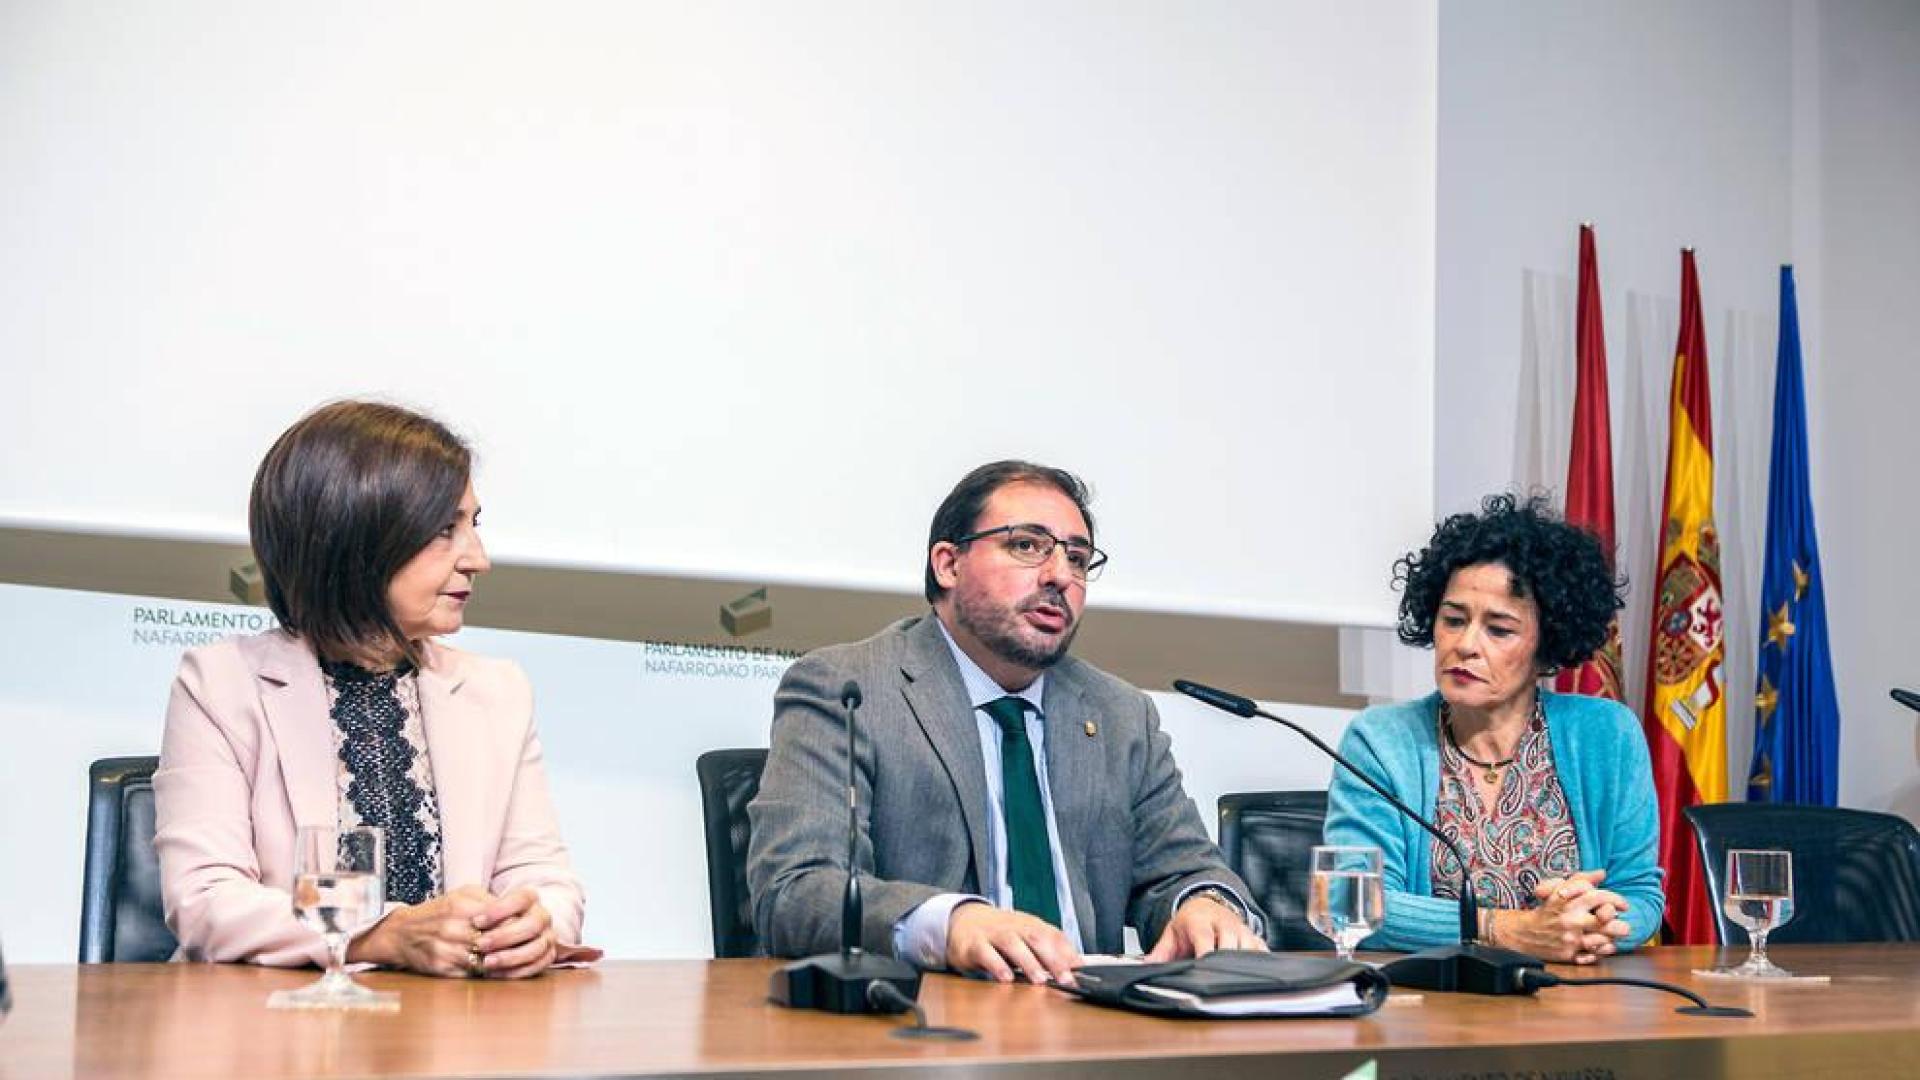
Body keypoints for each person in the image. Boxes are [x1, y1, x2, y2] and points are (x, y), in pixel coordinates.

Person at [748, 461, 1265, 985]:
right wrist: (951, 922)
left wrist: (1205, 906)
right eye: (1026, 546)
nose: (1060, 575)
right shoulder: (847, 687)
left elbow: (1188, 869)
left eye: (1078, 559)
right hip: (929, 1030)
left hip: (1098, 1032)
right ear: (948, 564)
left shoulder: (1119, 713)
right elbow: (796, 890)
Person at [155, 401, 592, 978]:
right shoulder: (221, 685)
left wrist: (534, 925)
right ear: (356, 540)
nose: (478, 559)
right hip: (275, 1036)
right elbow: (206, 899)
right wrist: (379, 934)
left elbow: (546, 881)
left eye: (474, 525)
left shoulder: (497, 691)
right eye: (445, 531)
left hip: (460, 1039)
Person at [1323, 494, 1663, 964]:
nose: (1465, 645)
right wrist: (1507, 930)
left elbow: (1641, 891)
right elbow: (1349, 904)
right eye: (1453, 620)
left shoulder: (1608, 734)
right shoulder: (1380, 740)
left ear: (1547, 647)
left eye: (1498, 630)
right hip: (1432, 1009)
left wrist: (1595, 923)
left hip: (1577, 1003)